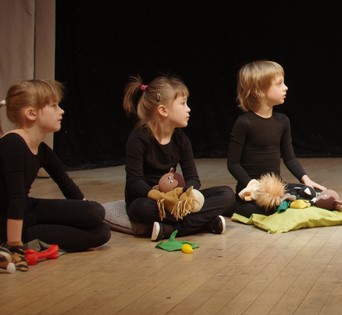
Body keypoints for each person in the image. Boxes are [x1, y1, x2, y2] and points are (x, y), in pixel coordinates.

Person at [0, 80, 111, 272]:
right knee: (96, 226)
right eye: (53, 106)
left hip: (27, 211)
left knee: (100, 225)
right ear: (31, 113)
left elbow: (67, 186)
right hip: (8, 221)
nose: (61, 111)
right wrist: (15, 245)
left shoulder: (42, 149)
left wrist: (85, 213)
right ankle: (11, 244)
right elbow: (15, 198)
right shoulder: (13, 143)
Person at [123, 74, 235, 241]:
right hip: (150, 200)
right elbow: (135, 183)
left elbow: (193, 178)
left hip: (176, 199)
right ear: (163, 110)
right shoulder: (139, 139)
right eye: (183, 104)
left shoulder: (182, 140)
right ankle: (203, 223)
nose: (188, 109)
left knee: (226, 194)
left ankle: (170, 230)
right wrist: (161, 197)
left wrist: (185, 196)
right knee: (142, 209)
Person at [226, 60, 326, 218]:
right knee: (265, 209)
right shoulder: (244, 123)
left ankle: (289, 202)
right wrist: (253, 186)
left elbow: (289, 158)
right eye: (279, 84)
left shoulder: (282, 121)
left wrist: (306, 180)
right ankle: (233, 207)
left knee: (312, 193)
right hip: (253, 190)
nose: (285, 87)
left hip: (277, 188)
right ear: (259, 91)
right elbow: (233, 164)